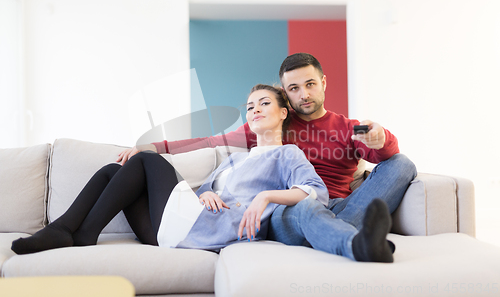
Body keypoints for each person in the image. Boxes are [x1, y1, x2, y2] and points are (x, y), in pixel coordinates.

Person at [118, 53, 417, 262]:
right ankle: (356, 241)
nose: (304, 94)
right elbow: (207, 141)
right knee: (307, 207)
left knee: (403, 163)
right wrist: (152, 149)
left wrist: (381, 138)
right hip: (290, 209)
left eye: (310, 84)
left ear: (323, 82)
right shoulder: (273, 123)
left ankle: (338, 230)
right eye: (294, 89)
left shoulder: (347, 128)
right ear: (286, 97)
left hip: (340, 205)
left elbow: (386, 156)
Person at [11, 84, 330, 254]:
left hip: (208, 231)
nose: (255, 109)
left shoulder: (288, 153)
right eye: (250, 106)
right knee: (112, 169)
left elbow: (316, 193)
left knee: (148, 160)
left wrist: (265, 198)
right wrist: (204, 194)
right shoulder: (237, 157)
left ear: (284, 112)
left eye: (264, 103)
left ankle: (78, 232)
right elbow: (208, 190)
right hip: (178, 227)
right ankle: (71, 230)